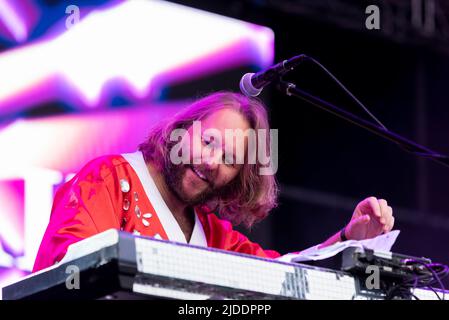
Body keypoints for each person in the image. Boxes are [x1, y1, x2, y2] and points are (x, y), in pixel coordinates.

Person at [33, 91, 395, 272]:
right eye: (208, 142)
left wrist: (348, 239)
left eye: (230, 160)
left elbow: (283, 271)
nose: (210, 162)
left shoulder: (213, 234)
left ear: (238, 178)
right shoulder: (110, 178)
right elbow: (68, 269)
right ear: (182, 130)